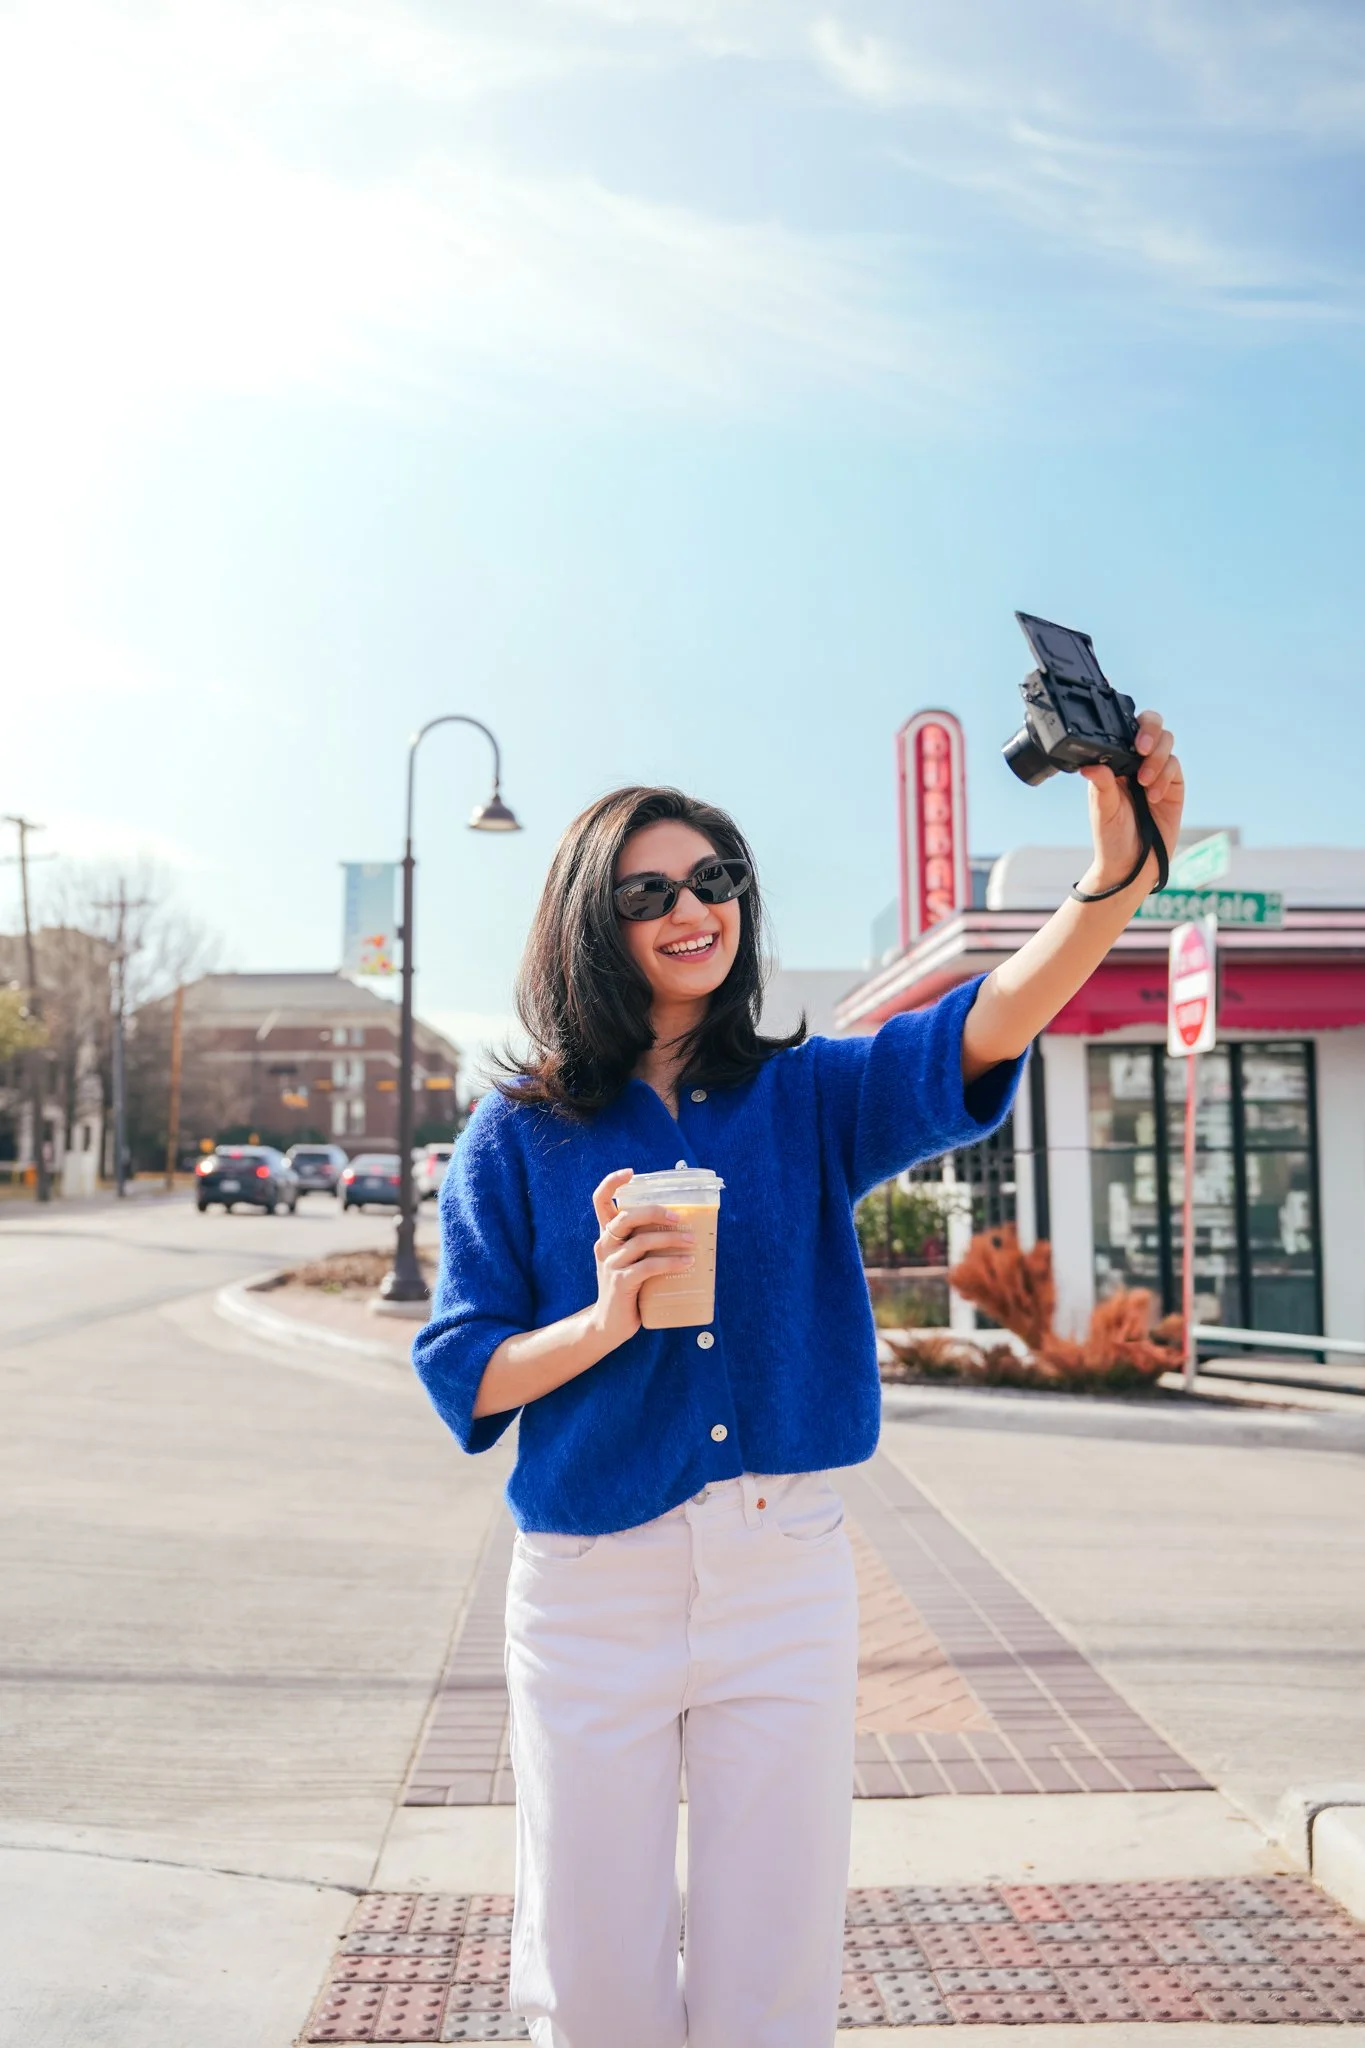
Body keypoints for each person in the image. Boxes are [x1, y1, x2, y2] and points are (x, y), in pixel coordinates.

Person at [413, 715, 1184, 2048]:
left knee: (772, 1981)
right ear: (592, 922)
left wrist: (1114, 876)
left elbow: (981, 1027)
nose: (691, 907)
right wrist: (605, 1319)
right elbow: (467, 1374)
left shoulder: (810, 1095)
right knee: (592, 1979)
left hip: (787, 1572)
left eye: (714, 880)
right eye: (647, 891)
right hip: (594, 1589)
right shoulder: (518, 1132)